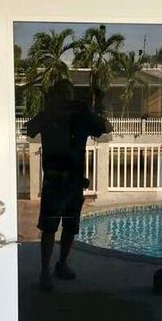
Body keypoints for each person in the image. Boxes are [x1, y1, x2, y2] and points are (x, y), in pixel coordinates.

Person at [26, 80, 112, 290]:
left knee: (69, 227)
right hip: (55, 181)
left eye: (68, 93)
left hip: (72, 181)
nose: (65, 97)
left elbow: (106, 127)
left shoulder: (80, 113)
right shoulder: (53, 114)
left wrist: (89, 110)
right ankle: (46, 271)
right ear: (56, 95)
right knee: (49, 227)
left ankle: (61, 264)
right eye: (62, 93)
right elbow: (30, 129)